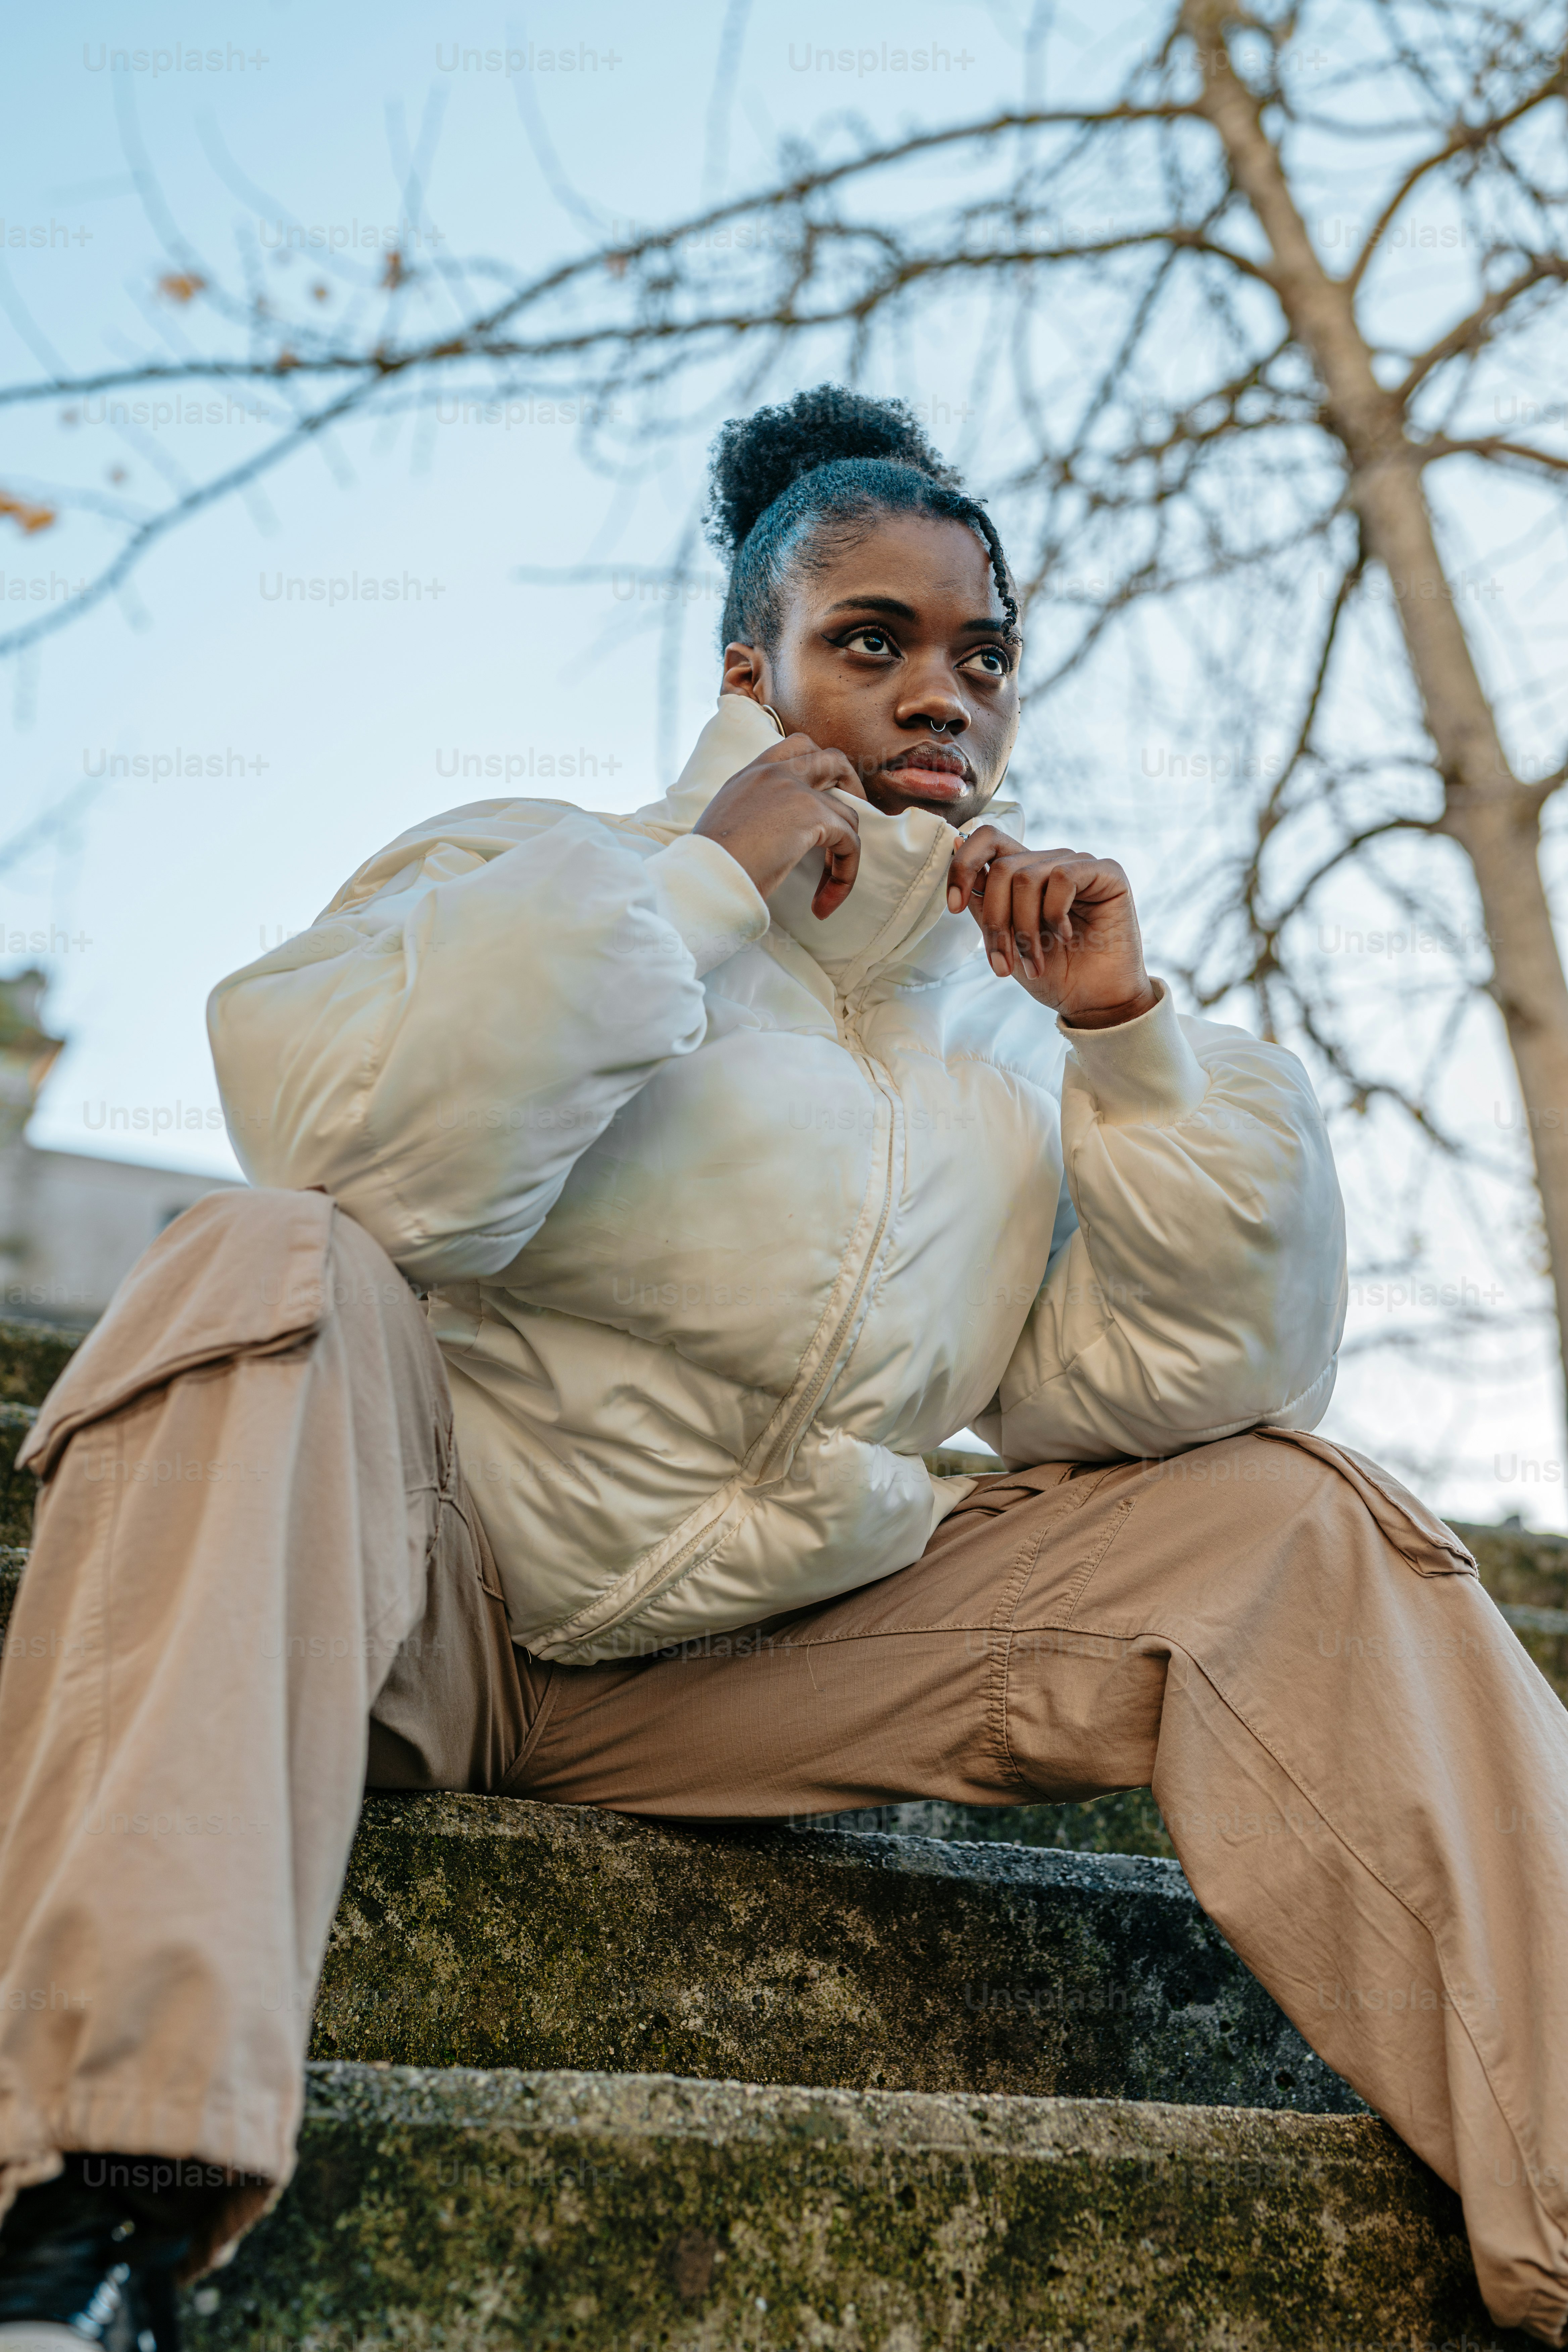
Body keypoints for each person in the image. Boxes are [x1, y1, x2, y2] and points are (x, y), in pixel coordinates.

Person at [0, 385, 1564, 2348]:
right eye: (874, 642)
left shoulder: (1013, 1052)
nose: (942, 695)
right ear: (752, 669)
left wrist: (1132, 1048)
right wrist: (697, 892)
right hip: (419, 1608)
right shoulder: (539, 864)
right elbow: (353, 1151)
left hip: (763, 1679)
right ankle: (97, 2193)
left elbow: (1187, 1392)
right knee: (262, 1263)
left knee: (1289, 1517)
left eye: (981, 656)